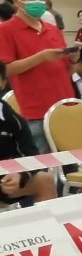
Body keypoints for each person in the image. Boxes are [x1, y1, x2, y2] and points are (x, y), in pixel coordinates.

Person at [0, 0, 78, 152]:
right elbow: (6, 69)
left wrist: (73, 60)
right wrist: (40, 57)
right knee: (44, 162)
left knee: (71, 161)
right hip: (35, 111)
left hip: (65, 105)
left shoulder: (52, 29)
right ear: (16, 1)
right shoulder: (6, 30)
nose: (37, 2)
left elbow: (65, 70)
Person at [0, 62, 57, 207]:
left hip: (3, 180)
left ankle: (46, 222)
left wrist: (19, 174)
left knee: (45, 180)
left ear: (3, 83)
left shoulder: (13, 120)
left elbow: (31, 155)